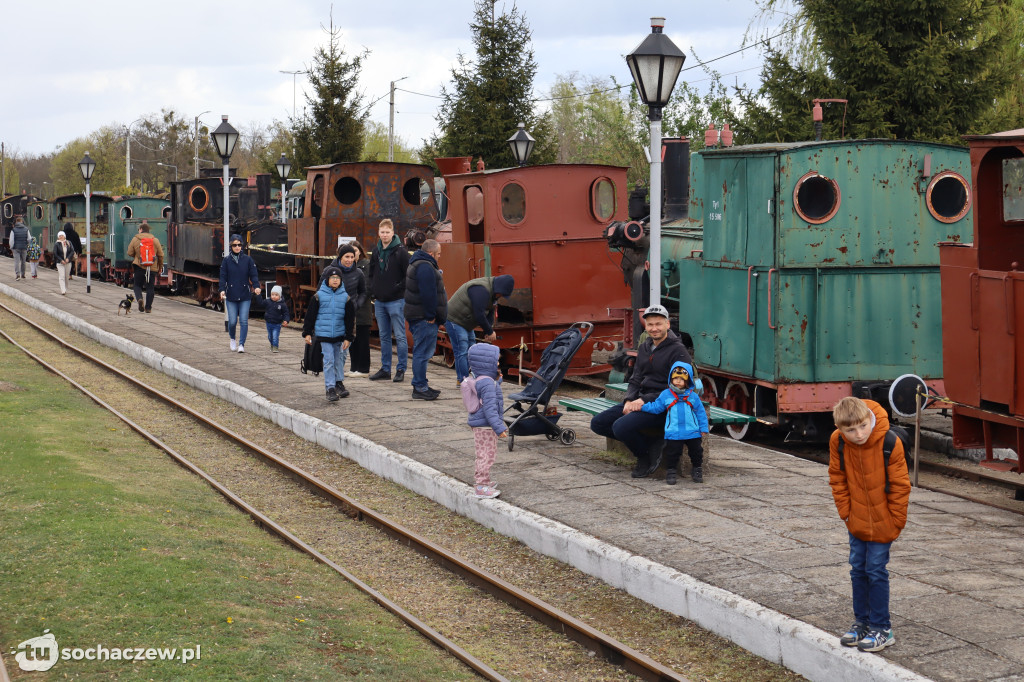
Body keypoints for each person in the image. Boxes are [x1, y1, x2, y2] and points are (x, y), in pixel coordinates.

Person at [829, 396, 911, 653]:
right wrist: (846, 514)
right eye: (850, 430)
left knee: (875, 570)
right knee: (857, 569)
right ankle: (862, 623)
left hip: (885, 521)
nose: (859, 434)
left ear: (869, 419)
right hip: (856, 520)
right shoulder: (838, 442)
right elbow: (837, 477)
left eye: (862, 426)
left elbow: (900, 486)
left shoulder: (890, 441)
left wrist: (896, 522)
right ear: (840, 429)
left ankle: (882, 628)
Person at [589, 304, 692, 478]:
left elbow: (679, 388)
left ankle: (643, 457)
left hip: (666, 405)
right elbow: (636, 378)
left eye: (658, 324)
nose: (654, 328)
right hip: (642, 400)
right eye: (650, 324)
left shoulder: (679, 352)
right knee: (598, 423)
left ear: (668, 324)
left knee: (620, 427)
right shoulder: (645, 347)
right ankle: (652, 445)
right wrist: (629, 399)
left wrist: (645, 400)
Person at [640, 361, 709, 484]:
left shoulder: (693, 396)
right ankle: (671, 471)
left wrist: (703, 428)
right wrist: (642, 406)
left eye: (681, 379)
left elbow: (700, 413)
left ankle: (697, 469)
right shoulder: (666, 395)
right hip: (674, 431)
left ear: (688, 381)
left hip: (692, 431)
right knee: (672, 453)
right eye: (675, 378)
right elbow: (657, 407)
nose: (677, 381)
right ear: (670, 378)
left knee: (697, 452)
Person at [445, 275, 515, 385]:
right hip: (454, 319)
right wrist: (489, 331)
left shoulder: (493, 294)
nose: (501, 296)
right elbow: (479, 314)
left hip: (466, 322)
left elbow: (490, 312)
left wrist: (488, 330)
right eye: (501, 294)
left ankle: (468, 378)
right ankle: (463, 381)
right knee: (462, 350)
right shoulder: (481, 290)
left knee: (472, 350)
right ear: (498, 288)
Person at [302, 266, 355, 401]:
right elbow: (310, 315)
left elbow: (349, 319)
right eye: (333, 278)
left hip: (339, 335)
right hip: (324, 335)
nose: (335, 280)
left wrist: (349, 337)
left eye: (338, 278)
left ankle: (339, 383)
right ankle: (330, 387)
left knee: (338, 361)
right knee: (329, 360)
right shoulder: (318, 296)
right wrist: (307, 332)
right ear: (327, 279)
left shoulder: (345, 297)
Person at [367, 219, 410, 382]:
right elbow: (372, 272)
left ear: (393, 233)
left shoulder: (401, 252)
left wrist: (398, 288)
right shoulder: (376, 251)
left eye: (387, 232)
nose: (385, 235)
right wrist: (373, 289)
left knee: (399, 336)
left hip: (396, 301)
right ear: (379, 233)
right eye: (382, 232)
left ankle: (401, 369)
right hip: (380, 301)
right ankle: (385, 368)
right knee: (384, 336)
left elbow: (408, 275)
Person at [404, 239, 447, 400]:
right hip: (424, 318)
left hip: (419, 315)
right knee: (422, 352)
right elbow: (428, 293)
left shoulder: (419, 263)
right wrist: (430, 315)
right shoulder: (425, 266)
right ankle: (420, 387)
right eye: (439, 254)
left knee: (422, 352)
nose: (439, 256)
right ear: (431, 253)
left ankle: (422, 384)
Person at [465, 343, 508, 499]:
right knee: (486, 455)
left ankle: (484, 481)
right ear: (486, 363)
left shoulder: (482, 379)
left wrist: (498, 383)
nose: (497, 364)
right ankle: (481, 486)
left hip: (480, 424)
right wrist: (499, 427)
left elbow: (486, 393)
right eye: (495, 361)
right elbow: (490, 409)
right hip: (486, 426)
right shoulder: (488, 383)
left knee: (484, 454)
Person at [324, 243, 367, 377]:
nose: (349, 260)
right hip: (332, 315)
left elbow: (363, 292)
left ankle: (338, 380)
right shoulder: (329, 271)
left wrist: (356, 305)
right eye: (346, 256)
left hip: (348, 316)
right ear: (340, 257)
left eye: (352, 257)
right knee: (331, 352)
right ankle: (333, 382)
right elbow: (320, 292)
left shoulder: (358, 273)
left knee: (343, 351)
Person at [219, 234, 261, 353]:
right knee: (232, 321)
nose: (237, 247)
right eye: (235, 245)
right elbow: (223, 277)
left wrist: (256, 286)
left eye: (239, 245)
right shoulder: (226, 261)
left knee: (243, 320)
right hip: (231, 295)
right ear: (231, 246)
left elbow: (253, 275)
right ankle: (232, 339)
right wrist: (222, 289)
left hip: (244, 295)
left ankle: (242, 344)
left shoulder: (248, 260)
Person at [125, 220, 165, 313]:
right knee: (150, 287)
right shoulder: (155, 240)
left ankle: (139, 298)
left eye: (139, 229)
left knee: (137, 285)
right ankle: (148, 308)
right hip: (152, 267)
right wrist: (160, 267)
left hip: (139, 266)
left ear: (141, 229)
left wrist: (137, 255)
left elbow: (129, 252)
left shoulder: (135, 239)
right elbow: (161, 255)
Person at [348, 241, 373, 376]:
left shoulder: (366, 266)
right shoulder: (348, 267)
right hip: (350, 308)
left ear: (360, 252)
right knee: (352, 339)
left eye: (355, 251)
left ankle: (363, 368)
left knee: (363, 339)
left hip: (362, 308)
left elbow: (368, 287)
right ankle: (354, 367)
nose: (353, 255)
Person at [261, 285, 291, 353]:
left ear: (280, 296)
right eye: (272, 294)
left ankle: (275, 347)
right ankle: (272, 344)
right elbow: (261, 303)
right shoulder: (268, 301)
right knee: (270, 336)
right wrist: (258, 295)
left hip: (277, 323)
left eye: (276, 295)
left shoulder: (282, 304)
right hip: (269, 322)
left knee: (275, 336)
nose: (274, 296)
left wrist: (286, 320)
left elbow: (286, 313)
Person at [53, 231, 76, 295]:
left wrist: (68, 258)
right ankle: (63, 290)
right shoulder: (56, 244)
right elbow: (55, 253)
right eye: (59, 236)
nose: (61, 237)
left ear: (64, 236)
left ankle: (65, 288)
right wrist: (61, 260)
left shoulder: (69, 243)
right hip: (60, 263)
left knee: (66, 276)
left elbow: (72, 251)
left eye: (62, 235)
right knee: (61, 276)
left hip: (68, 263)